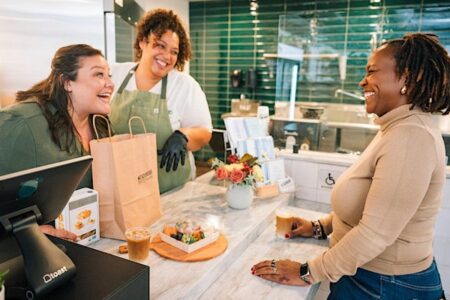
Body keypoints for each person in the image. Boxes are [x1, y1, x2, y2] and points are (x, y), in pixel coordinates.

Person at [252, 33, 449, 299]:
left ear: (407, 78)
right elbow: (371, 206)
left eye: (372, 71)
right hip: (373, 280)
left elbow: (375, 234)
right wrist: (319, 227)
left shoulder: (411, 136)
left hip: (386, 286)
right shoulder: (396, 127)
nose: (362, 81)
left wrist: (306, 271)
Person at [0, 44, 115, 241]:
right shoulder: (21, 124)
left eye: (109, 75)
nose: (110, 84)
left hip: (93, 241)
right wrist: (24, 231)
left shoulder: (100, 124)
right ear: (67, 82)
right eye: (98, 75)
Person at [109, 8, 212, 194]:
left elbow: (204, 132)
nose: (167, 56)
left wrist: (183, 136)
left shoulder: (184, 85)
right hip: (121, 185)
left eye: (174, 51)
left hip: (170, 187)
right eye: (160, 46)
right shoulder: (114, 75)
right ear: (142, 42)